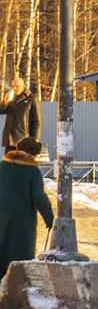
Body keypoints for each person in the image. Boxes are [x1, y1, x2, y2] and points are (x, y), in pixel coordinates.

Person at [0, 136, 54, 277]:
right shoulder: (32, 171)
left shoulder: (3, 165)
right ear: (34, 154)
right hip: (22, 221)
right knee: (19, 256)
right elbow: (39, 197)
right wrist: (50, 219)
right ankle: (13, 285)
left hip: (2, 214)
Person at [0, 76, 40, 154]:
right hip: (9, 139)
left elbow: (38, 120)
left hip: (24, 139)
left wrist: (36, 138)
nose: (14, 88)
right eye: (13, 86)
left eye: (17, 86)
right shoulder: (11, 98)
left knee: (22, 162)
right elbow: (1, 111)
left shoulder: (32, 99)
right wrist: (4, 103)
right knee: (10, 163)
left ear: (24, 86)